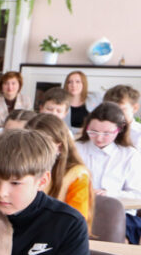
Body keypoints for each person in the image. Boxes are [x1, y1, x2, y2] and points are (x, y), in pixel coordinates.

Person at [77, 102, 141, 243]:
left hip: (121, 214)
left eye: (107, 133)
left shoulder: (130, 155)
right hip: (80, 210)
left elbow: (137, 195)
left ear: (120, 129)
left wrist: (109, 194)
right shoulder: (76, 149)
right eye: (93, 131)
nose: (99, 138)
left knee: (119, 238)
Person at [26, 112, 93, 225]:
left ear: (60, 147)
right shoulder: (21, 168)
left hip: (59, 232)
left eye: (44, 144)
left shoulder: (77, 174)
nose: (35, 150)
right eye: (29, 144)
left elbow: (76, 221)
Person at [103, 84, 141, 152]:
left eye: (121, 109)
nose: (115, 114)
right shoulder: (101, 131)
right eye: (110, 109)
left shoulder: (138, 135)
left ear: (135, 108)